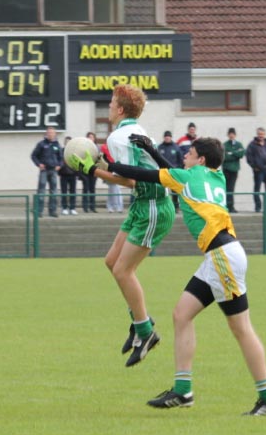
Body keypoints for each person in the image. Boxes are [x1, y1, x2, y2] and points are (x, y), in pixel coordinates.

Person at [80, 135, 266, 416]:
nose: (184, 154)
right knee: (181, 315)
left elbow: (145, 174)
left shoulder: (186, 177)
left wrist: (96, 169)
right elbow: (171, 173)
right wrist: (151, 149)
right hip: (223, 256)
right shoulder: (216, 176)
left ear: (200, 159)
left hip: (222, 259)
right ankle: (182, 390)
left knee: (241, 329)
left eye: (189, 152)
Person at [68, 84, 175, 367]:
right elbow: (129, 170)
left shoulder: (119, 136)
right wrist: (102, 164)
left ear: (121, 109)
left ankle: (146, 331)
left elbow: (131, 180)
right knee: (111, 261)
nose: (109, 107)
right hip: (142, 204)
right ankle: (139, 321)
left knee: (123, 270)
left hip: (153, 205)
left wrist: (93, 170)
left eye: (112, 102)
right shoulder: (137, 132)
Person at [31, 126, 62, 218]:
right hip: (44, 170)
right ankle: (38, 211)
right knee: (41, 191)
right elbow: (33, 156)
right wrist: (39, 164)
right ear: (46, 134)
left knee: (54, 192)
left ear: (55, 134)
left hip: (53, 171)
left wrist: (59, 165)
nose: (51, 134)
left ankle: (52, 211)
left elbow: (61, 158)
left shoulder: (57, 145)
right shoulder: (41, 144)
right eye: (49, 133)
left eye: (52, 133)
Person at [246, 127, 266, 213]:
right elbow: (249, 157)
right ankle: (258, 207)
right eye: (259, 134)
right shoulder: (252, 144)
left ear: (265, 135)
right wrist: (254, 167)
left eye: (262, 134)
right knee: (257, 189)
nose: (261, 136)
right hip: (258, 170)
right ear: (257, 134)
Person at [158, 131, 183, 211]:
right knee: (162, 190)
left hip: (173, 173)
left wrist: (178, 170)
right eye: (166, 137)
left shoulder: (176, 147)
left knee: (175, 191)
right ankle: (162, 207)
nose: (167, 138)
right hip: (162, 172)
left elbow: (180, 160)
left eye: (168, 137)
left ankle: (176, 207)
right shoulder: (160, 147)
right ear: (164, 138)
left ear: (171, 137)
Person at [222, 127, 245, 213]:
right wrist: (235, 153)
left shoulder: (239, 144)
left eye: (233, 134)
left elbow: (242, 153)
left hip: (234, 170)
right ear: (228, 135)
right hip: (226, 169)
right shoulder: (224, 145)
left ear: (235, 135)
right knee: (226, 188)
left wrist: (232, 153)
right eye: (230, 134)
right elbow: (224, 156)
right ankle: (226, 206)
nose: (231, 135)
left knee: (231, 188)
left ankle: (231, 206)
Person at [100, 144, 123, 213]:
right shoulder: (104, 149)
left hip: (117, 171)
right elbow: (103, 162)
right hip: (109, 172)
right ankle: (113, 207)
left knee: (116, 190)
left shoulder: (117, 150)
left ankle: (117, 207)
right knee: (112, 190)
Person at [59, 136, 78, 215]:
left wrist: (77, 172)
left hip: (73, 174)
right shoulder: (61, 151)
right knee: (64, 192)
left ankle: (72, 208)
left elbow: (77, 163)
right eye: (66, 142)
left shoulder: (75, 152)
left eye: (69, 142)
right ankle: (64, 208)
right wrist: (59, 172)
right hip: (63, 174)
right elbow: (59, 162)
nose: (68, 143)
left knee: (73, 191)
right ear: (64, 143)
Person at [80, 132, 98, 213]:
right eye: (89, 137)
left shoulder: (96, 148)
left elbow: (99, 160)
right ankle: (85, 207)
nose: (90, 138)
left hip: (93, 171)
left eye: (92, 137)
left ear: (94, 139)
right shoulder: (83, 148)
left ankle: (92, 206)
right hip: (85, 171)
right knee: (85, 189)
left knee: (92, 189)